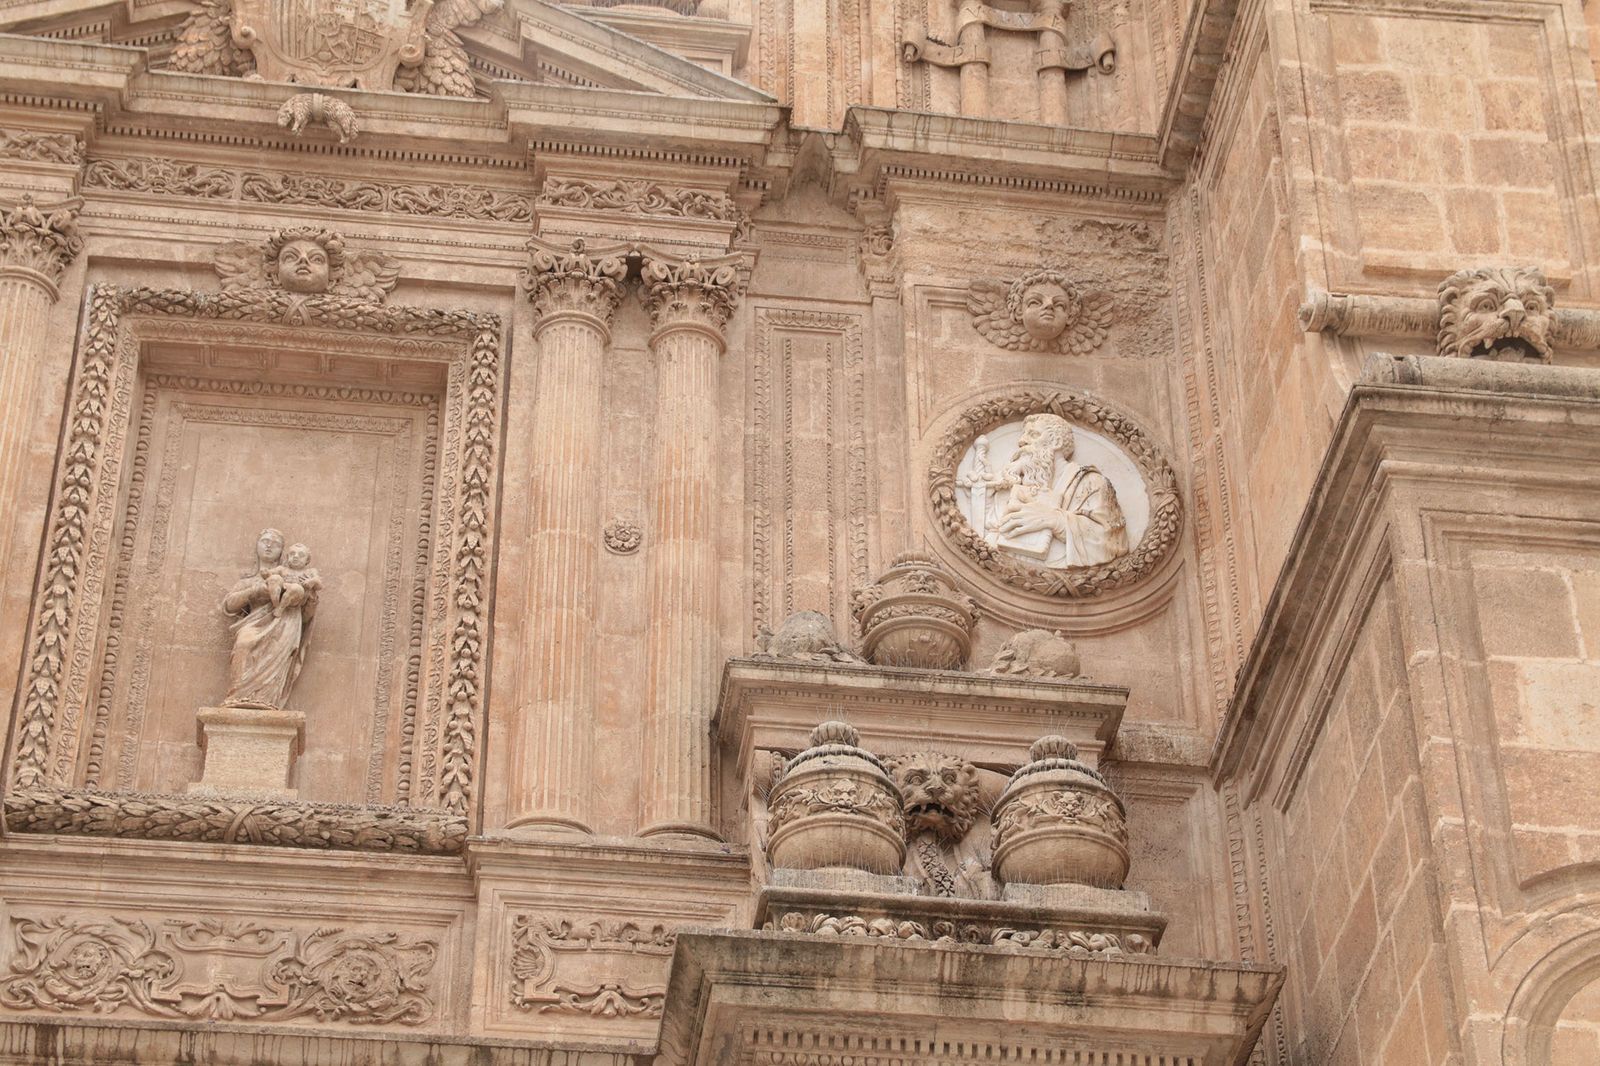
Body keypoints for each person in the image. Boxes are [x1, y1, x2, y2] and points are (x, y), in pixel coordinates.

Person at [992, 413, 1130, 568]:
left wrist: (1057, 520)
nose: (1022, 441)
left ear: (1056, 442)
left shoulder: (1090, 482)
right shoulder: (1020, 487)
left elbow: (1111, 542)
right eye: (1024, 435)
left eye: (1034, 434)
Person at [220, 528, 320, 709]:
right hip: (254, 623)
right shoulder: (249, 580)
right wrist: (256, 591)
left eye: (275, 544)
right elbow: (229, 605)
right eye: (264, 541)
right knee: (244, 643)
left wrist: (310, 596)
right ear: (257, 546)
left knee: (276, 658)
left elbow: (306, 617)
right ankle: (239, 696)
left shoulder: (294, 577)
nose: (268, 546)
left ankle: (266, 700)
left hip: (285, 624)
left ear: (282, 551)